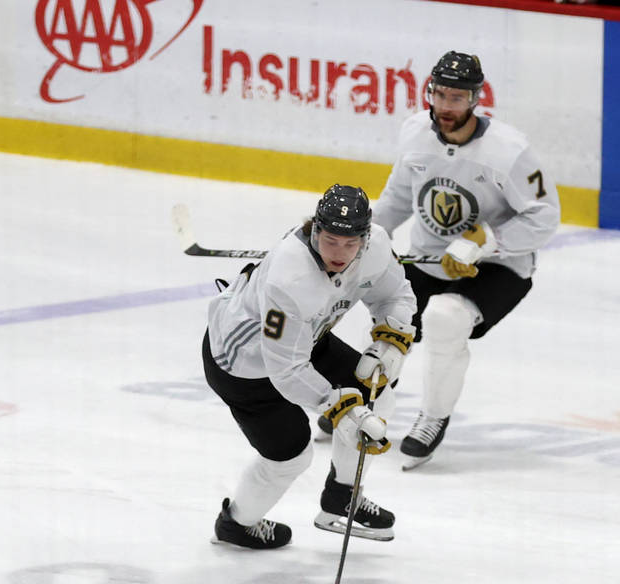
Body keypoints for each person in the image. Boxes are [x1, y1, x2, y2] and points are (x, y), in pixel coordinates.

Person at [203, 184, 417, 549]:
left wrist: (390, 342)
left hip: (305, 342)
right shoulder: (293, 278)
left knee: (377, 399)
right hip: (243, 365)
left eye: (351, 244)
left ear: (365, 238)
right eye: (331, 240)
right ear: (316, 230)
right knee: (292, 457)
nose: (340, 253)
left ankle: (341, 496)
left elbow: (395, 295)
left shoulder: (376, 245)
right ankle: (236, 525)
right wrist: (341, 408)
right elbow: (285, 371)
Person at [375, 51, 559, 469]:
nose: (445, 106)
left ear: (475, 99)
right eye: (439, 94)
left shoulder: (509, 151)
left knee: (444, 316)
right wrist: (351, 235)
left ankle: (433, 417)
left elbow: (546, 215)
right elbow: (398, 199)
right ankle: (368, 402)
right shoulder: (414, 132)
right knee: (390, 320)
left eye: (456, 98)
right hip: (428, 259)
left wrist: (485, 239)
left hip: (498, 267)